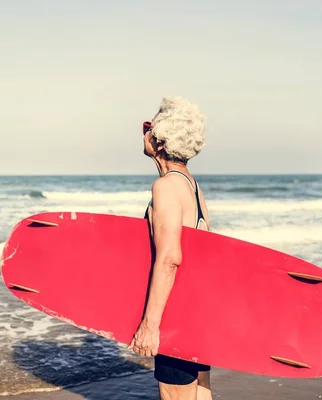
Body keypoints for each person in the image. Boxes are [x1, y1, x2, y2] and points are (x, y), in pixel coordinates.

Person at [128, 96, 212, 400]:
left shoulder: (165, 187)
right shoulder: (191, 185)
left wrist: (150, 325)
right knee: (200, 394)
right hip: (198, 311)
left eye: (148, 127)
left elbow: (169, 259)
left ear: (159, 141)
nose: (144, 133)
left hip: (176, 316)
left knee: (175, 396)